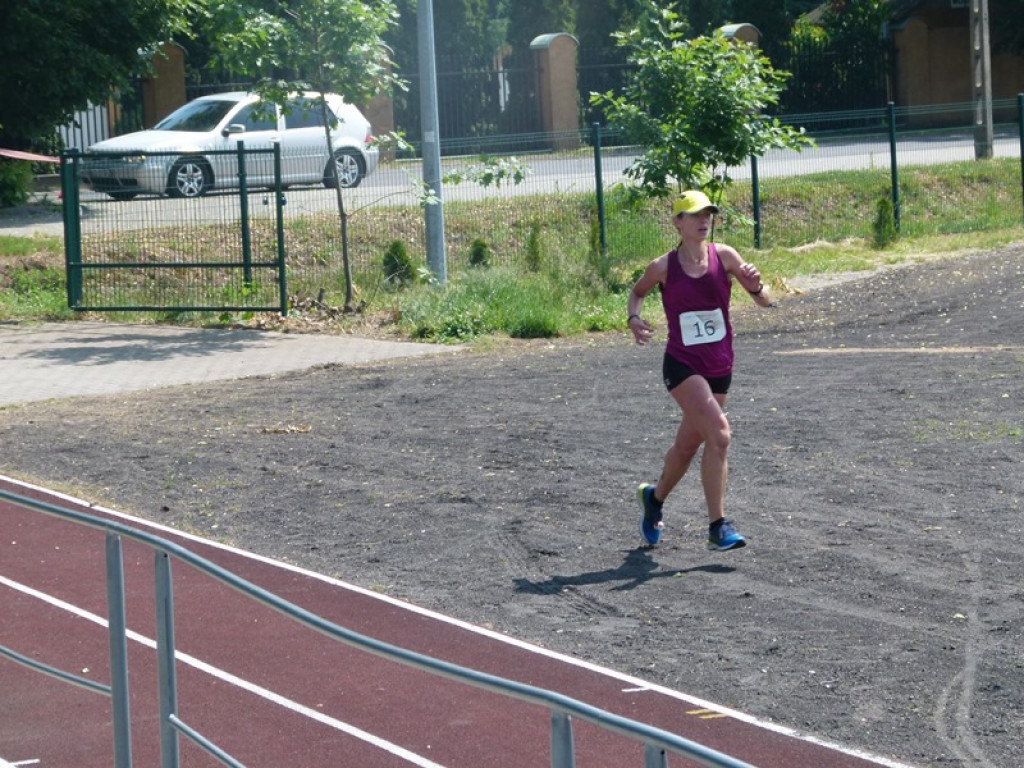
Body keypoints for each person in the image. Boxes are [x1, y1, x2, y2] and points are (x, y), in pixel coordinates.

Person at [626, 189, 772, 551]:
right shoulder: (662, 267)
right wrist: (634, 318)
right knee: (720, 435)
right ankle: (718, 526)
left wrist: (757, 288)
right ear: (678, 222)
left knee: (688, 445)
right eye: (694, 214)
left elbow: (767, 302)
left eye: (708, 214)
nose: (704, 220)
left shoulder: (725, 257)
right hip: (682, 365)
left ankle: (654, 499)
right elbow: (638, 292)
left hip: (720, 366)